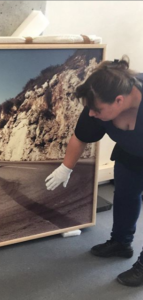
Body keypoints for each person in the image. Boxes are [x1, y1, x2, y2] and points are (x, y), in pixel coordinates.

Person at [45, 56, 143, 287]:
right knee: (124, 196)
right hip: (130, 154)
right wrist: (65, 168)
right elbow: (80, 138)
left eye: (95, 110)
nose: (91, 113)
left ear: (119, 101)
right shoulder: (98, 101)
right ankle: (120, 242)